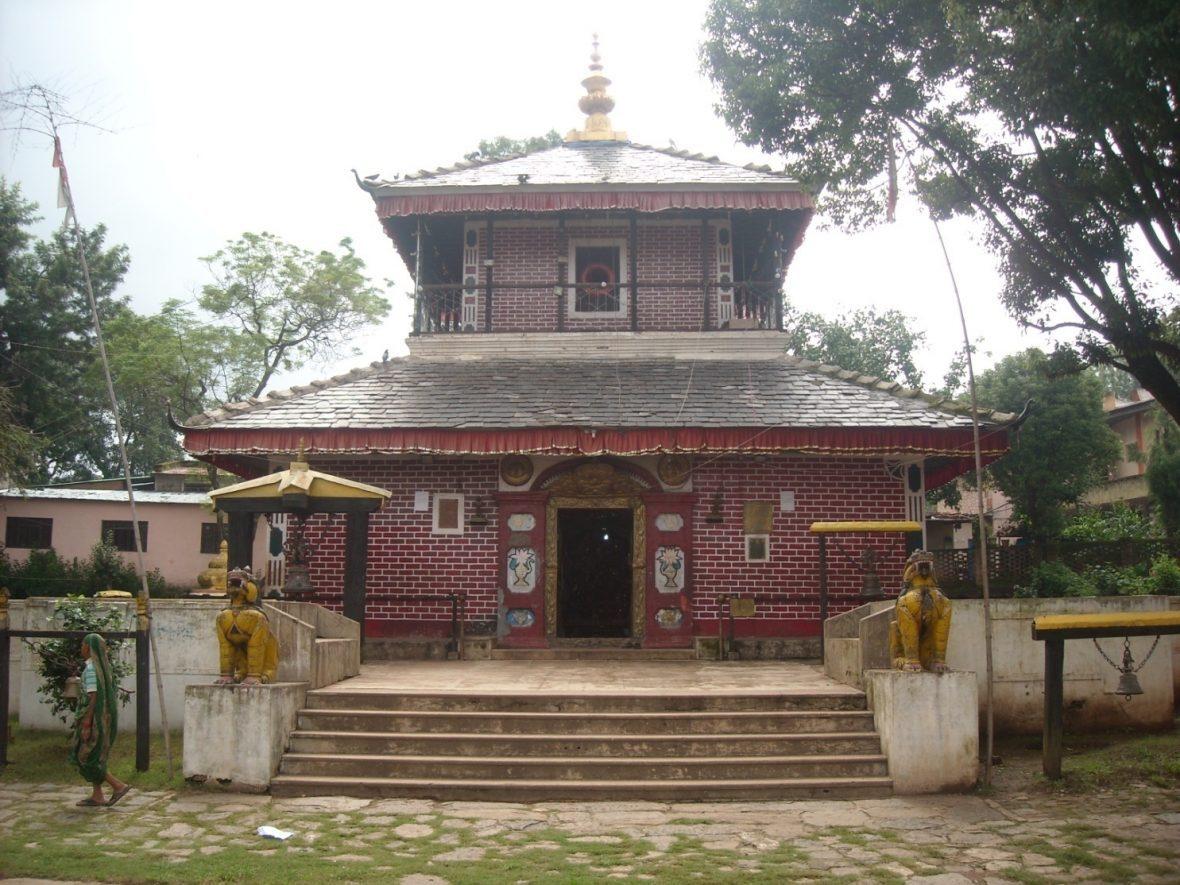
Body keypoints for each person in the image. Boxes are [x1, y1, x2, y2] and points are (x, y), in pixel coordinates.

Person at [70, 633, 131, 807]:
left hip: (93, 719)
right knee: (96, 754)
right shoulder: (103, 669)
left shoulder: (90, 670)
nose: (81, 648)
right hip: (102, 719)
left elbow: (93, 696)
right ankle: (97, 795)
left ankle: (118, 785)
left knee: (85, 755)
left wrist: (87, 722)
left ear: (88, 648)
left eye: (83, 645)